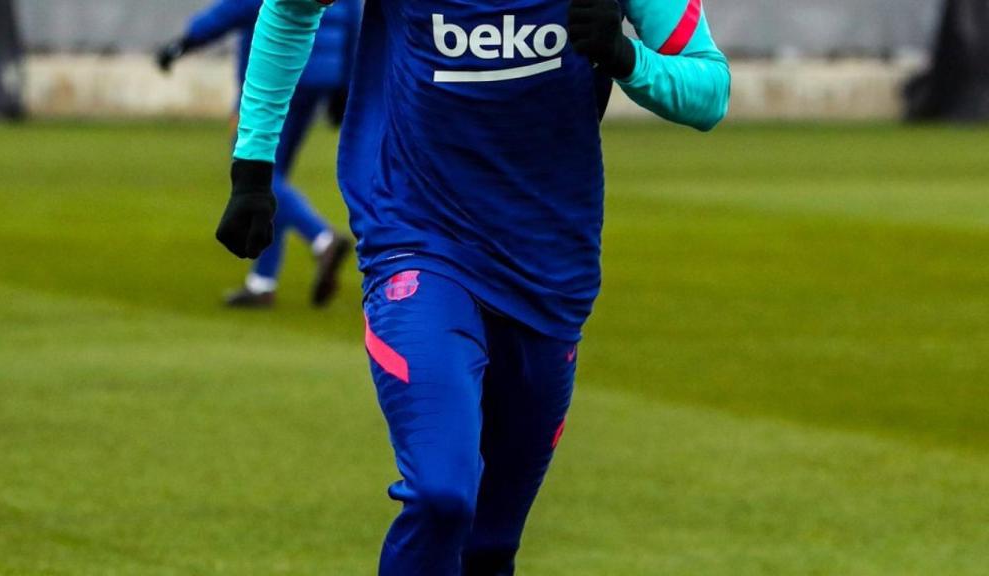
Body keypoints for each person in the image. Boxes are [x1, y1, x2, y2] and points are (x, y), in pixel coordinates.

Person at [216, 0, 729, 572]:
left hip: (550, 270)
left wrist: (625, 58)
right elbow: (289, 9)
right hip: (418, 240)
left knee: (490, 544)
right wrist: (252, 167)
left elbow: (711, 91)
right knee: (441, 494)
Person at [157, 0, 359, 307]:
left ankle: (321, 238)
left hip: (280, 66)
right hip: (322, 75)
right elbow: (355, 16)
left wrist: (187, 41)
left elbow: (238, 6)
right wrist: (345, 82)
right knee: (277, 173)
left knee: (260, 171)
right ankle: (263, 281)